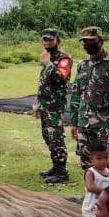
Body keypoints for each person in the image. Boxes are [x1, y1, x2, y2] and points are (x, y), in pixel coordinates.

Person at [69, 26, 109, 174]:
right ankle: (93, 195)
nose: (87, 44)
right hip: (84, 123)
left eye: (91, 40)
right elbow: (76, 93)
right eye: (84, 41)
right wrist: (74, 122)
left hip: (104, 125)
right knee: (86, 163)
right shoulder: (83, 65)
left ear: (100, 40)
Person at [35, 28, 74, 184]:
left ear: (58, 40)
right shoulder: (49, 57)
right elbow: (44, 83)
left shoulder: (64, 59)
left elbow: (60, 77)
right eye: (44, 39)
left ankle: (62, 172)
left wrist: (48, 64)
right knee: (47, 135)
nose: (46, 42)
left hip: (55, 105)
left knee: (56, 137)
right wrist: (38, 104)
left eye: (50, 40)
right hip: (45, 105)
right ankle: (55, 166)